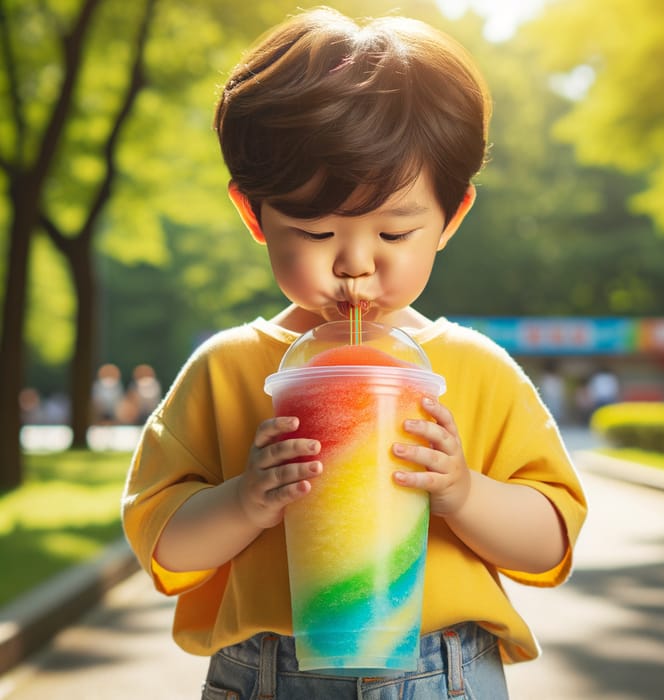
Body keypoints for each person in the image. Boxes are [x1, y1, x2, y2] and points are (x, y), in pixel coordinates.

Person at [122, 8, 587, 698]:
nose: (355, 266)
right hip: (271, 673)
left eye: (395, 233)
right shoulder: (226, 370)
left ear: (451, 217)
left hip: (441, 672)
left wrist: (462, 493)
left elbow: (551, 542)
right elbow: (162, 546)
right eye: (313, 231)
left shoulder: (477, 370)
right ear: (254, 214)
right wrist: (247, 500)